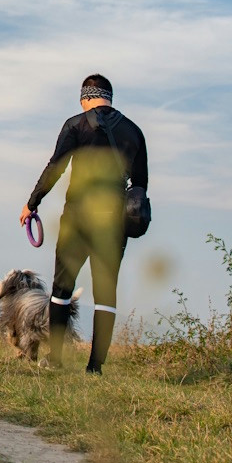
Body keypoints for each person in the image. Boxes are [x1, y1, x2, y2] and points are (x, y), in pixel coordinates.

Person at [19, 74, 148, 373]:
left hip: (77, 217)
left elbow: (56, 167)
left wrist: (32, 203)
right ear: (109, 97)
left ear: (86, 97)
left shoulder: (76, 125)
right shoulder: (134, 132)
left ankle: (56, 359)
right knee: (106, 293)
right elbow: (140, 185)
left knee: (62, 288)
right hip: (114, 221)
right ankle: (95, 368)